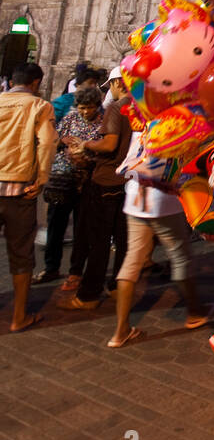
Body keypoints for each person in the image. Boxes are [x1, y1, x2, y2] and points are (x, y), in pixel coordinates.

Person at [109, 152, 214, 349]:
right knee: (180, 257)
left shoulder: (140, 127)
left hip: (135, 199)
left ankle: (120, 331)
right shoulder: (173, 128)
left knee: (132, 261)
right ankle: (195, 313)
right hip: (163, 201)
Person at [59, 67, 132, 310]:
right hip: (127, 180)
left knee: (98, 240)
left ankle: (88, 295)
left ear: (118, 83)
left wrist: (86, 145)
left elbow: (110, 143)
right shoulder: (140, 108)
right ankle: (116, 286)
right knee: (122, 240)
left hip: (106, 180)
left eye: (110, 85)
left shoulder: (116, 107)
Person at [0, 63, 57, 331]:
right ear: (35, 83)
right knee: (21, 253)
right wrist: (42, 179)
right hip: (19, 190)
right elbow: (46, 143)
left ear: (12, 81)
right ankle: (18, 317)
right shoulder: (39, 106)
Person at [35, 85, 104, 284]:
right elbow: (55, 139)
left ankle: (76, 270)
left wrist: (87, 151)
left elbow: (106, 146)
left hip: (88, 179)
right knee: (56, 224)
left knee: (82, 227)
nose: (85, 112)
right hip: (63, 178)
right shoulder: (71, 118)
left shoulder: (103, 120)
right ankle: (51, 267)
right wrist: (66, 141)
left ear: (96, 106)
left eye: (89, 107)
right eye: (82, 107)